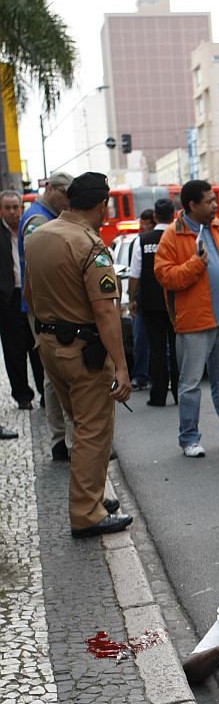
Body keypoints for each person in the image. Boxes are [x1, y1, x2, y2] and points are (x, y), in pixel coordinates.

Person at [24, 172, 133, 538]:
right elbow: (105, 312)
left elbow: (30, 294)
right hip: (82, 351)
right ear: (102, 205)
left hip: (49, 345)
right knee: (93, 431)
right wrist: (121, 365)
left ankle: (94, 497)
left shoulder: (39, 236)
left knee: (79, 423)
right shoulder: (90, 246)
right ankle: (87, 513)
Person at [154, 180, 219, 457]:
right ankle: (189, 438)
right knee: (190, 384)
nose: (215, 205)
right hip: (194, 322)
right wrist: (196, 265)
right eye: (208, 201)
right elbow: (164, 275)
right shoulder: (173, 235)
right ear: (192, 205)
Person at [19, 171, 75, 459]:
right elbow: (37, 268)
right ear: (50, 188)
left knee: (54, 376)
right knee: (57, 375)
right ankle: (64, 440)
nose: (67, 201)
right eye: (64, 194)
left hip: (44, 306)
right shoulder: (38, 220)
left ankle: (63, 439)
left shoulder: (43, 216)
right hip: (45, 308)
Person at [129, 199, 178, 407]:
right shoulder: (179, 237)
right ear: (173, 215)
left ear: (155, 217)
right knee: (177, 349)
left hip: (150, 303)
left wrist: (132, 298)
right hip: (176, 301)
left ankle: (157, 395)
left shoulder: (142, 241)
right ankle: (178, 392)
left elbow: (134, 275)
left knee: (156, 349)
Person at [0, 190, 44, 409]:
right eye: (7, 208)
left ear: (21, 208)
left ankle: (45, 392)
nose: (12, 212)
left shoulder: (31, 228)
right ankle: (23, 396)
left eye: (15, 207)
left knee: (38, 345)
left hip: (32, 294)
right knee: (14, 351)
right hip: (9, 299)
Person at [128, 208, 155, 390]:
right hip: (143, 300)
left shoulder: (152, 240)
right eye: (141, 223)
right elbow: (133, 273)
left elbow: (134, 276)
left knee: (162, 343)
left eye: (146, 224)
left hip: (151, 301)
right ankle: (140, 376)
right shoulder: (136, 243)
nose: (142, 227)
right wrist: (133, 298)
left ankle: (160, 376)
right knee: (140, 341)